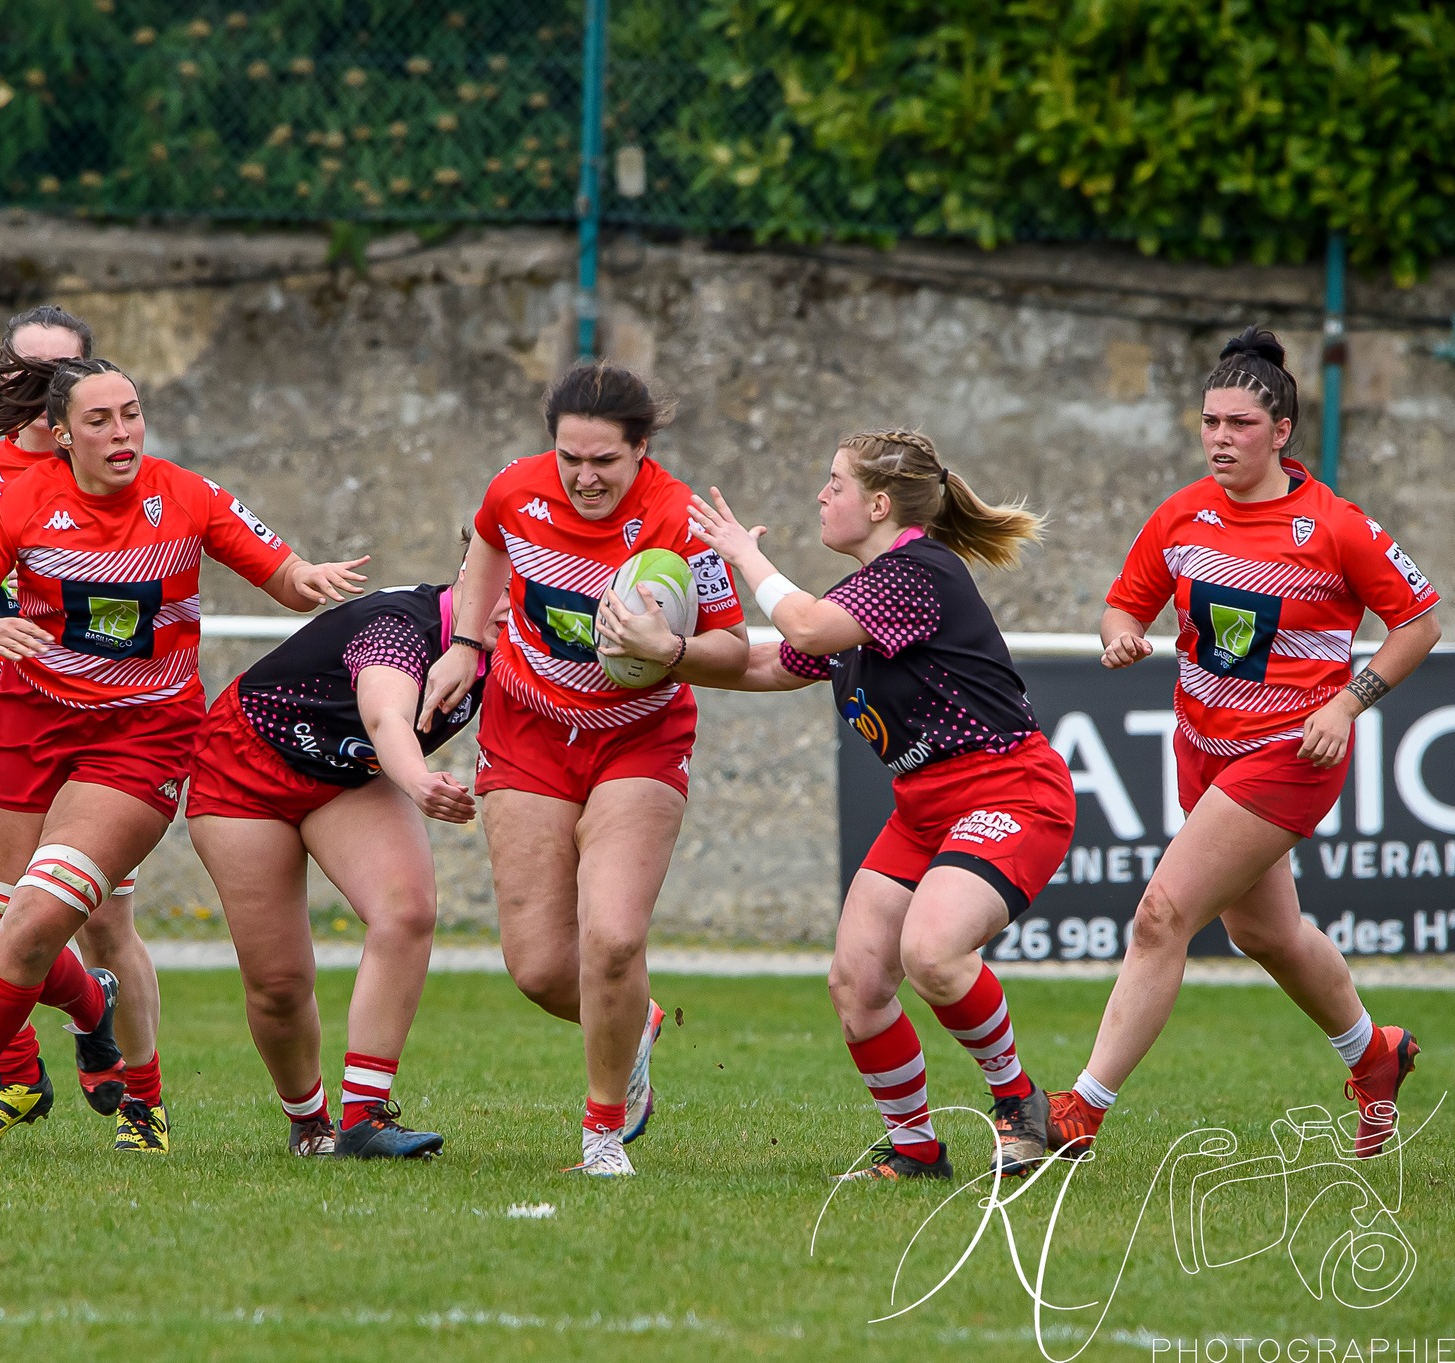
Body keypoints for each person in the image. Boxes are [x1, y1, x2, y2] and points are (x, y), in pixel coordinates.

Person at [0, 355, 369, 1154]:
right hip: (23, 727)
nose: (122, 433)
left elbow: (282, 576)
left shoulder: (188, 495)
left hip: (141, 740)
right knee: (12, 931)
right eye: (100, 421)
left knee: (35, 922)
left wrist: (310, 575)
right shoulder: (17, 501)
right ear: (63, 437)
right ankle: (93, 1011)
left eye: (132, 413)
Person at [610, 430, 1073, 1181]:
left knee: (933, 952)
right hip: (925, 807)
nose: (822, 496)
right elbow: (768, 662)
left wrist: (742, 553)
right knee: (857, 984)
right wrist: (661, 651)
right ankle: (917, 1150)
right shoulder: (863, 598)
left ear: (880, 504)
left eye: (835, 483)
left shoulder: (917, 569)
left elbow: (801, 627)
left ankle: (1019, 1103)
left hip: (1008, 788)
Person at [1048, 328, 1438, 1161]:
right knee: (1268, 935)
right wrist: (1120, 636)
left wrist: (1350, 701)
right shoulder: (1182, 512)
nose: (1221, 437)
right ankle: (1375, 1053)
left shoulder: (1336, 526)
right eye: (1209, 422)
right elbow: (1127, 604)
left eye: (1240, 424)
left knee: (1162, 914)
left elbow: (1419, 622)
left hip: (1290, 755)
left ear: (1282, 432)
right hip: (1202, 749)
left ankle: (1081, 1109)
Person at [418, 362, 748, 1178]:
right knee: (536, 967)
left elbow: (734, 651)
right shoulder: (513, 491)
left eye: (605, 460)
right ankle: (636, 1021)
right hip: (527, 730)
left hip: (638, 739)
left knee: (614, 937)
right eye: (571, 457)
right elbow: (486, 553)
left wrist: (666, 650)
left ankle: (602, 1138)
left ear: (642, 450)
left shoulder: (681, 520)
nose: (584, 476)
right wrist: (466, 642)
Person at [0, 305, 166, 1151]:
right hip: (4, 721)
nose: (36, 389)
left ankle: (141, 1095)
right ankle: (16, 1072)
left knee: (102, 924)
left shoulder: (121, 474)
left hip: (103, 731)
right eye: (22, 372)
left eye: (57, 374)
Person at [187, 546, 508, 1158]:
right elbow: (387, 718)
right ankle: (309, 1121)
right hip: (245, 767)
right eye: (500, 588)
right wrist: (418, 783)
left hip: (344, 777)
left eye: (526, 593)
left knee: (407, 911)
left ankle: (364, 1119)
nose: (511, 607)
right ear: (466, 576)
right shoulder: (398, 629)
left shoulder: (510, 649)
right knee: (279, 984)